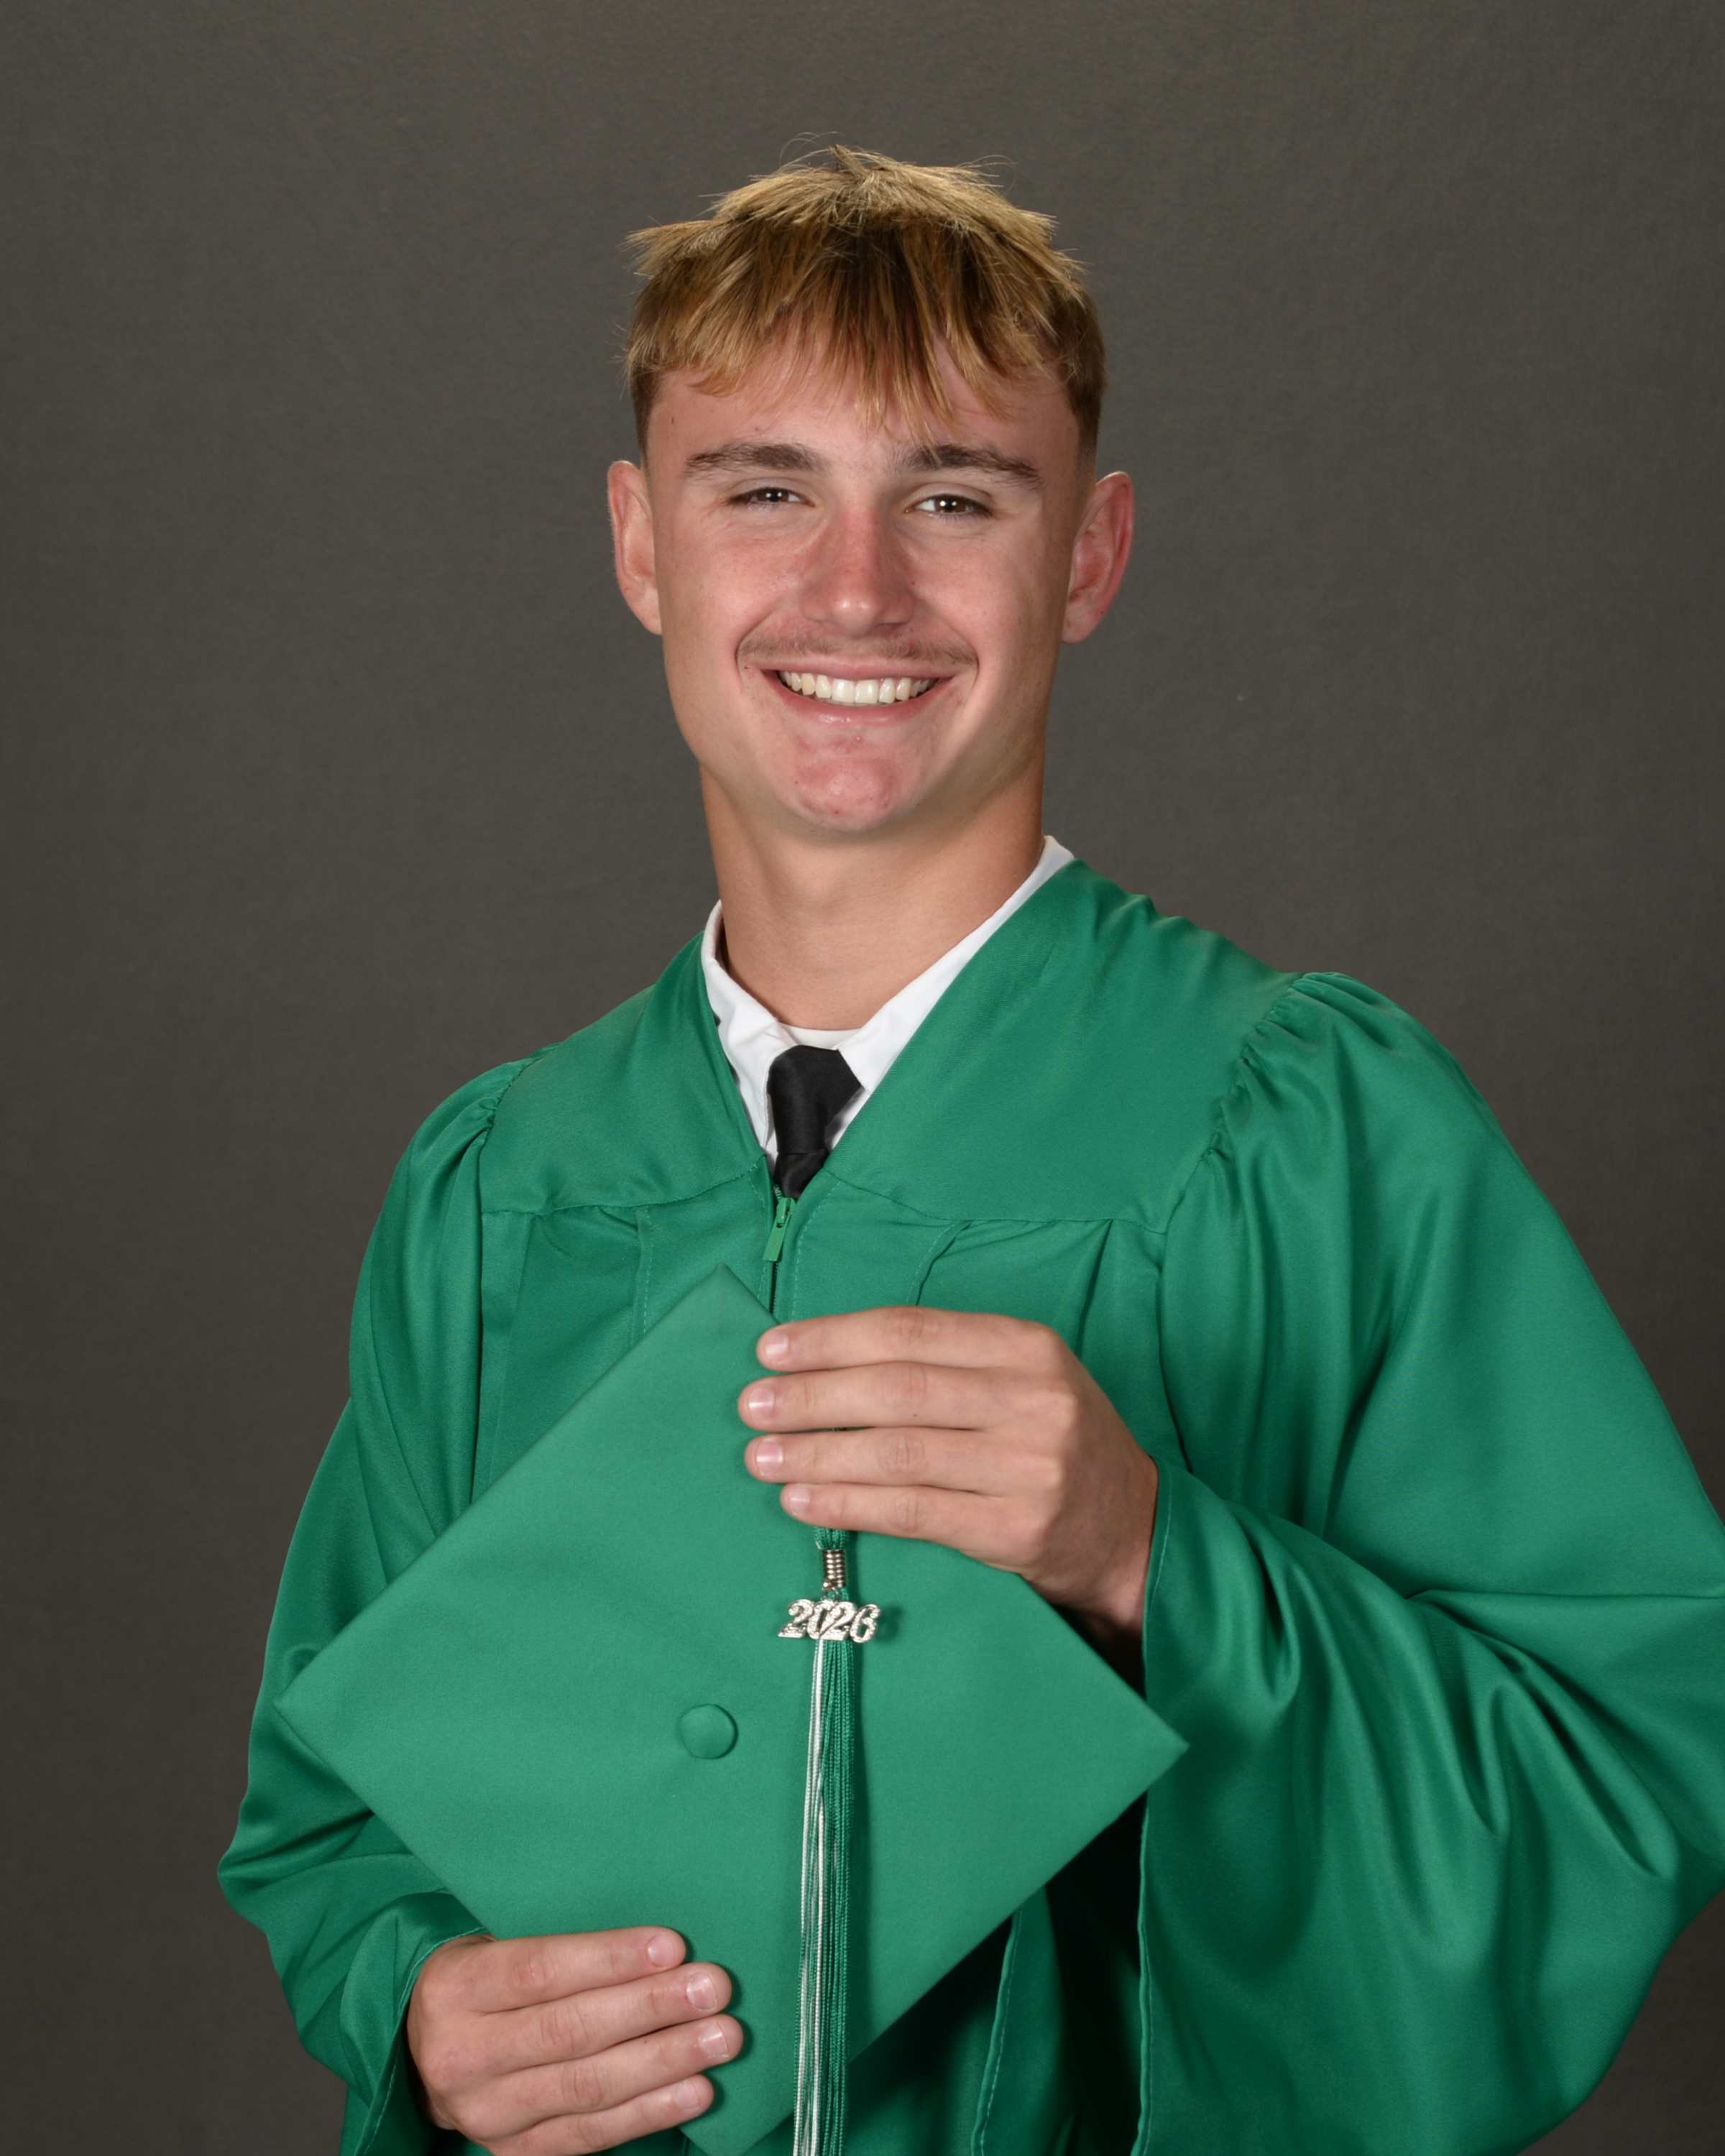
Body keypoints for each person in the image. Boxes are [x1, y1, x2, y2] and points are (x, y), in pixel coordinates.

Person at [221, 148, 1725, 2156]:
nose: (857, 591)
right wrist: (414, 2002)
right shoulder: (503, 1192)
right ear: (641, 545)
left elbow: (1617, 1778)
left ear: (1089, 555)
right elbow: (336, 1814)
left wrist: (1151, 1557)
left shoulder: (1316, 1133)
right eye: (764, 490)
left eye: (953, 496)